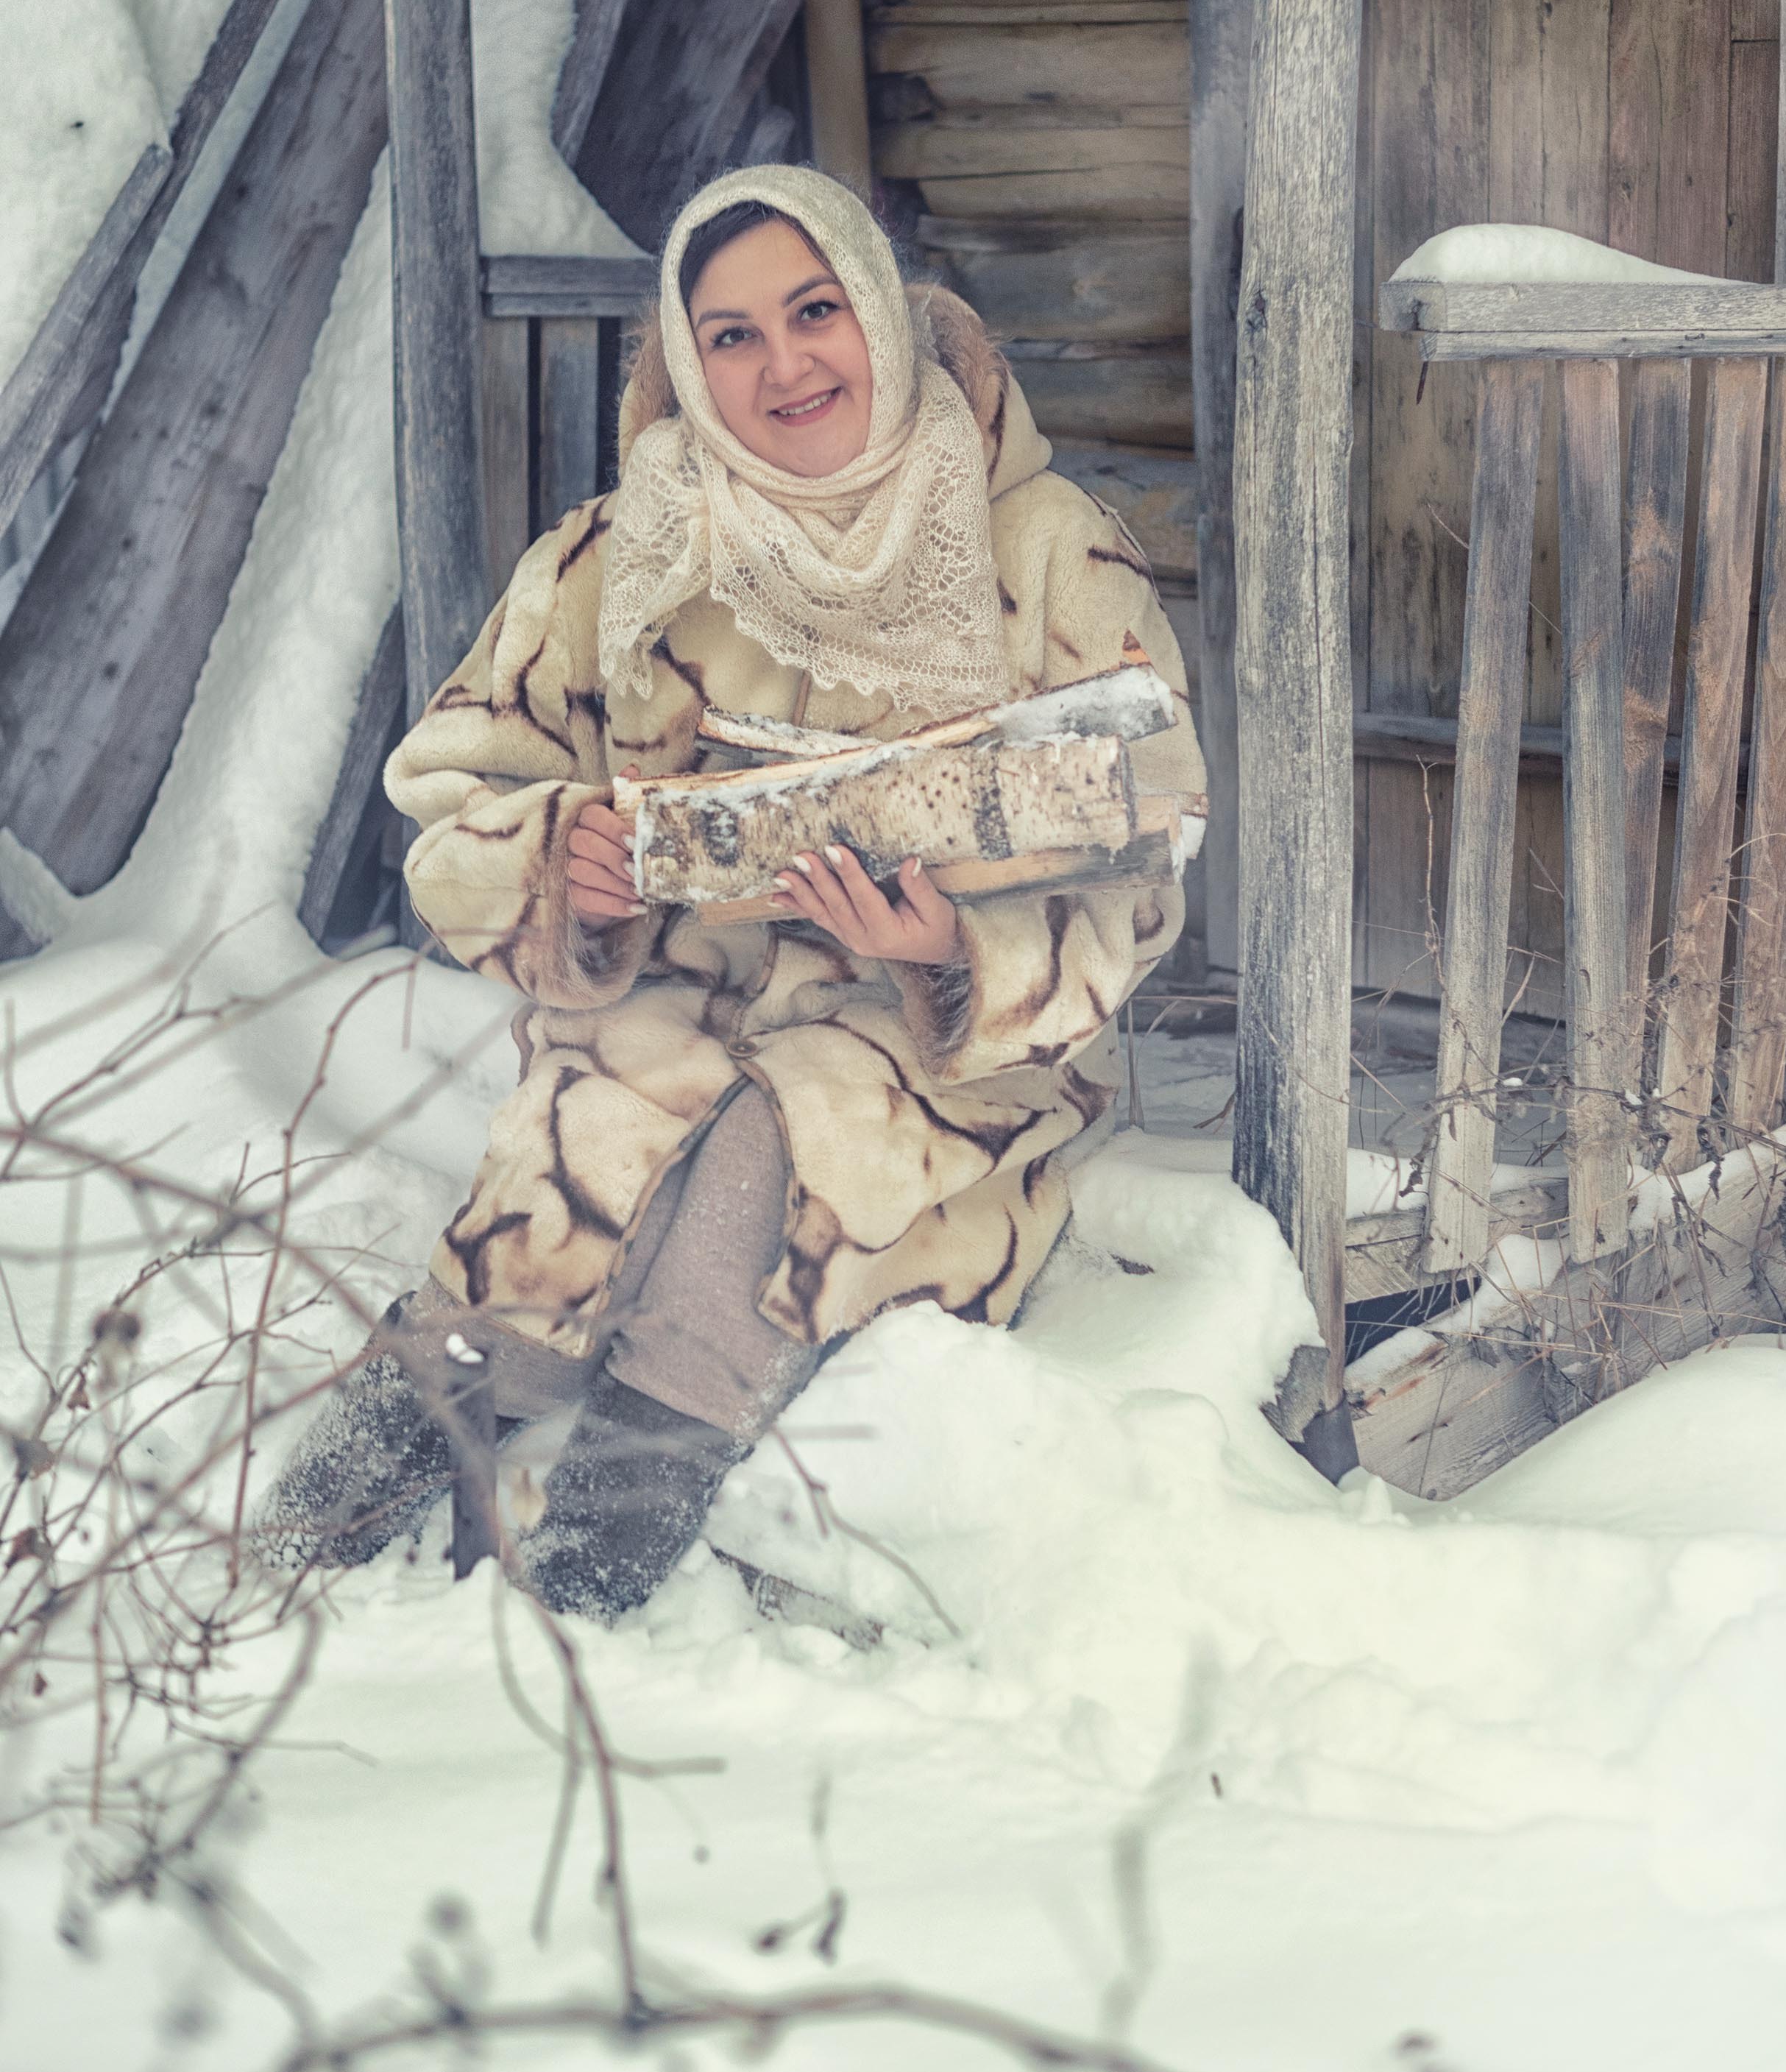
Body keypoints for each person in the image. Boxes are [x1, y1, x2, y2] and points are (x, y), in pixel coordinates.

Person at [259, 166, 1203, 1621]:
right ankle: (301, 1537)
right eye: (733, 336)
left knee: (785, 1142)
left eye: (815, 312)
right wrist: (559, 859)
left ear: (878, 312)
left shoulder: (1041, 544)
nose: (785, 365)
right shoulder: (617, 547)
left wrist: (953, 950)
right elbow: (454, 786)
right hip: (675, 996)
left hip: (938, 1052)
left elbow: (1145, 844)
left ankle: (593, 1574)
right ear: (688, 365)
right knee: (572, 1163)